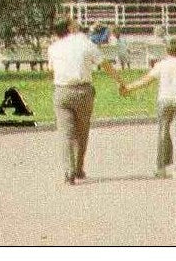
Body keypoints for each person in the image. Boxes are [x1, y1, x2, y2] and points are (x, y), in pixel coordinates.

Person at [47, 15, 121, 185]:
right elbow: (105, 65)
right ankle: (79, 167)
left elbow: (51, 70)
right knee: (82, 131)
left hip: (62, 91)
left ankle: (68, 171)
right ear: (70, 28)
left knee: (65, 134)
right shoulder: (87, 44)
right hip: (83, 91)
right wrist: (120, 81)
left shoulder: (53, 47)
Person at [120, 36, 176, 179]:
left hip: (164, 99)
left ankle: (161, 167)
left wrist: (128, 88)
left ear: (166, 51)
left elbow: (146, 81)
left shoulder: (161, 65)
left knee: (163, 133)